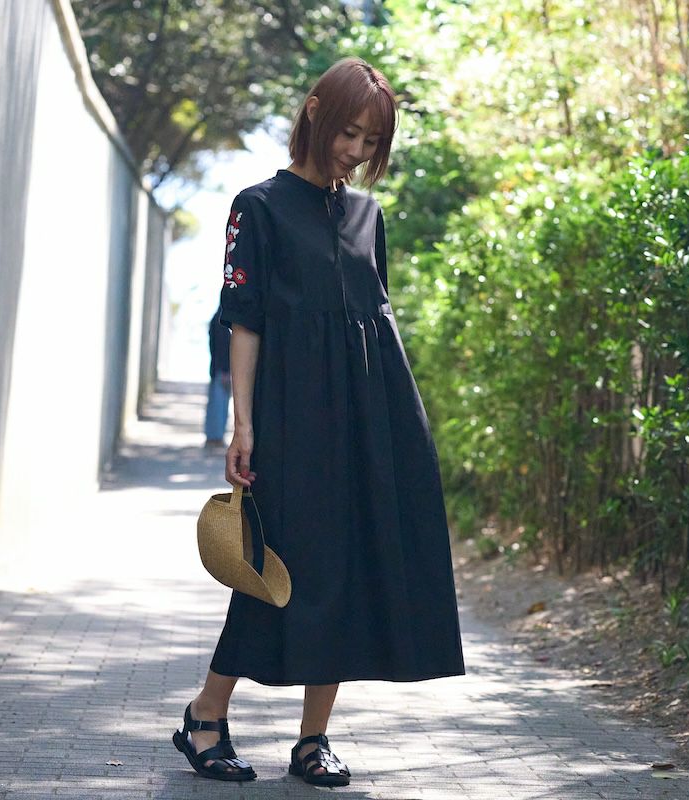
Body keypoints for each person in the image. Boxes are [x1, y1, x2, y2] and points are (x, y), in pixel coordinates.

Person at [173, 56, 466, 787]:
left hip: (371, 417)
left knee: (350, 564)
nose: (356, 151)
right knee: (281, 565)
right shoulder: (258, 207)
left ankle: (313, 740)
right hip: (291, 417)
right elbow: (245, 322)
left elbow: (374, 319)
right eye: (348, 133)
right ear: (314, 113)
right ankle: (206, 713)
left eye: (371, 141)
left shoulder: (369, 216)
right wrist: (243, 425)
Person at [203, 305, 231, 450]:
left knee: (218, 405)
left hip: (219, 370)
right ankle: (215, 437)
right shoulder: (222, 321)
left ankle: (215, 436)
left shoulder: (218, 318)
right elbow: (222, 348)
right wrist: (225, 370)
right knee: (218, 406)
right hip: (221, 370)